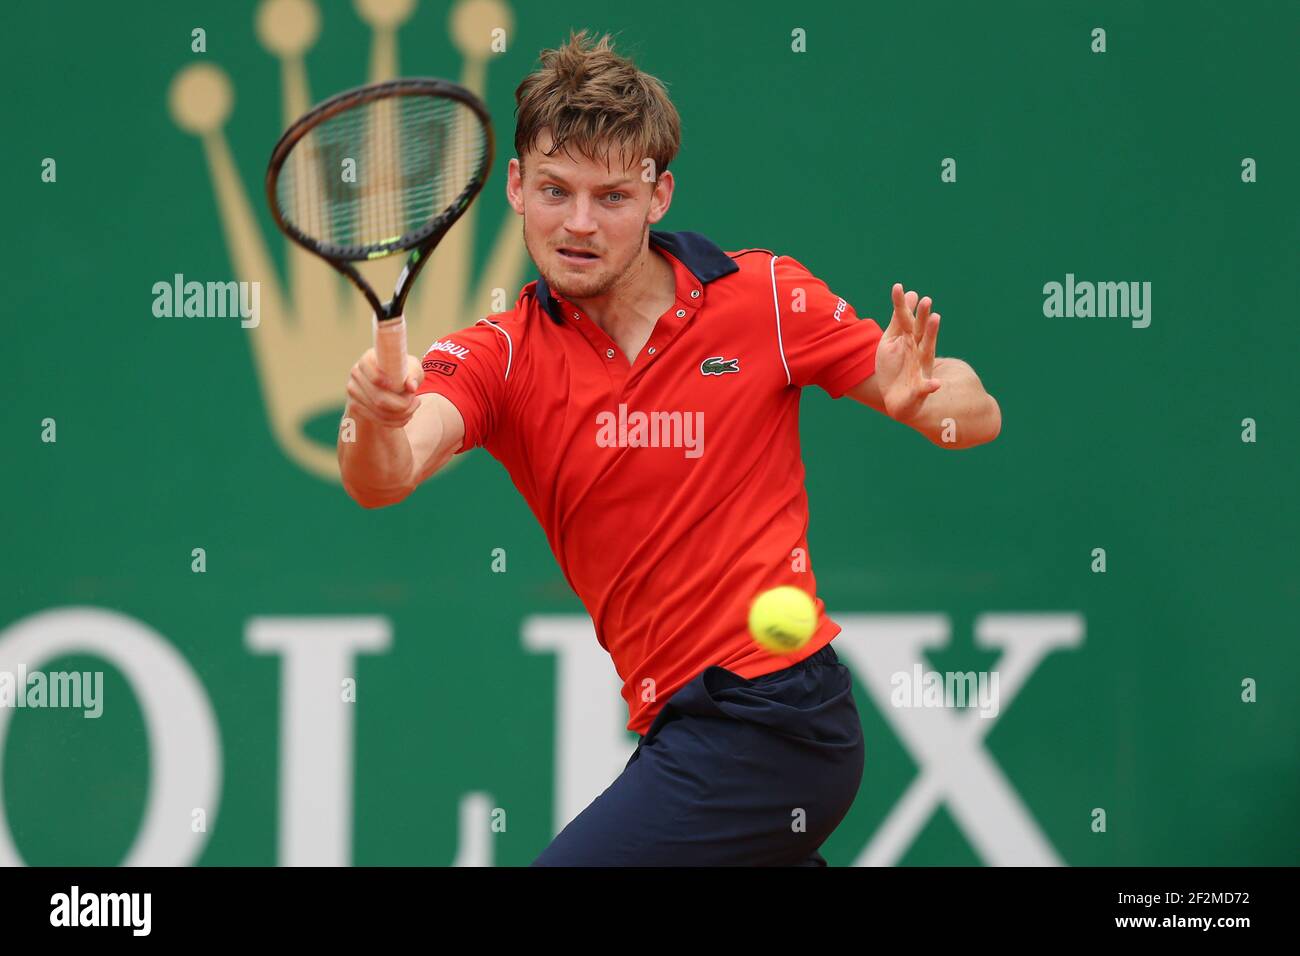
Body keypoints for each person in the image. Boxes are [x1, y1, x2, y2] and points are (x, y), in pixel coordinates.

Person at [338, 30, 1001, 866]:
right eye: (555, 190)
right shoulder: (499, 357)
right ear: (514, 187)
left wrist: (925, 400)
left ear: (659, 196)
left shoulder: (761, 297)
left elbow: (979, 416)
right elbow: (385, 475)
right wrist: (373, 417)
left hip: (775, 714)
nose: (578, 224)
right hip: (681, 721)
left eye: (611, 196)